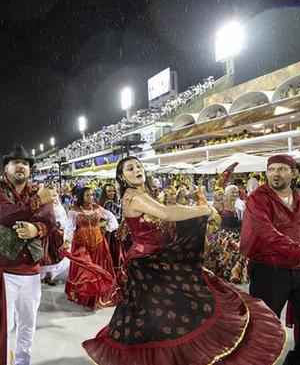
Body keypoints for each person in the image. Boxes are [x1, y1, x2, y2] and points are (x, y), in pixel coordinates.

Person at [83, 156, 285, 365]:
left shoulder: (144, 194)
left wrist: (194, 214)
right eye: (130, 169)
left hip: (159, 259)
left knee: (165, 315)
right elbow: (167, 213)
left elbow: (167, 217)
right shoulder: (133, 195)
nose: (137, 170)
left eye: (139, 166)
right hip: (148, 265)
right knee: (168, 314)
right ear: (122, 177)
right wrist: (204, 210)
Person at [0, 145, 57, 365]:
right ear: (6, 168)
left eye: (26, 163)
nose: (21, 165)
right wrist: (38, 201)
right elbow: (4, 214)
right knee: (1, 326)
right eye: (16, 162)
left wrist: (35, 230)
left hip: (30, 270)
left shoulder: (36, 191)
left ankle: (22, 361)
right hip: (2, 271)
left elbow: (51, 222)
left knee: (28, 322)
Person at [241, 154, 300, 365]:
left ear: (294, 173)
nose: (275, 174)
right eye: (272, 169)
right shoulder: (257, 199)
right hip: (269, 270)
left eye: (282, 169)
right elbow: (268, 234)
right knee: (263, 328)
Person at [63, 187, 119, 309]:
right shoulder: (74, 210)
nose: (91, 197)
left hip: (98, 243)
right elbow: (69, 227)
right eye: (88, 195)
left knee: (97, 270)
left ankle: (94, 299)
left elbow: (111, 217)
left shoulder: (98, 208)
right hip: (80, 244)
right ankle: (85, 298)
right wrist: (67, 240)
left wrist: (108, 227)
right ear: (82, 196)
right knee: (86, 271)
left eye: (92, 195)